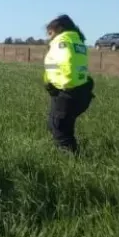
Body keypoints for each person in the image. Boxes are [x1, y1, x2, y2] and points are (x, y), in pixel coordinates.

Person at [43, 14, 95, 155]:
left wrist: (52, 83)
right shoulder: (77, 41)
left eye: (50, 32)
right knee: (58, 123)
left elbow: (60, 64)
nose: (48, 37)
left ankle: (70, 160)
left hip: (67, 91)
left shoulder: (61, 43)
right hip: (82, 90)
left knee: (60, 127)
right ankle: (66, 151)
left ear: (59, 29)